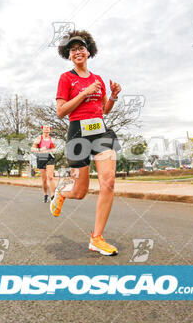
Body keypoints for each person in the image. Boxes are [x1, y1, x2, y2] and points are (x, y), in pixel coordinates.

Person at [50, 30, 122, 256]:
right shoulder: (66, 78)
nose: (77, 51)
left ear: (88, 52)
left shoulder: (97, 79)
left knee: (108, 181)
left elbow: (104, 110)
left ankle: (96, 238)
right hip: (77, 134)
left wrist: (112, 97)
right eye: (73, 50)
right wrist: (84, 93)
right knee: (80, 192)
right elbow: (61, 111)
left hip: (100, 131)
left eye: (81, 48)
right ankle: (62, 193)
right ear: (69, 56)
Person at [30, 125, 56, 203]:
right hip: (41, 158)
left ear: (50, 130)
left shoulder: (52, 139)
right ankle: (45, 194)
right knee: (44, 180)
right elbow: (32, 148)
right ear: (42, 129)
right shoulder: (39, 138)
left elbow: (54, 149)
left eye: (48, 128)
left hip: (50, 158)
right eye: (45, 127)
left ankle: (53, 195)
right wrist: (40, 149)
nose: (46, 129)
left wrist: (51, 150)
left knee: (50, 177)